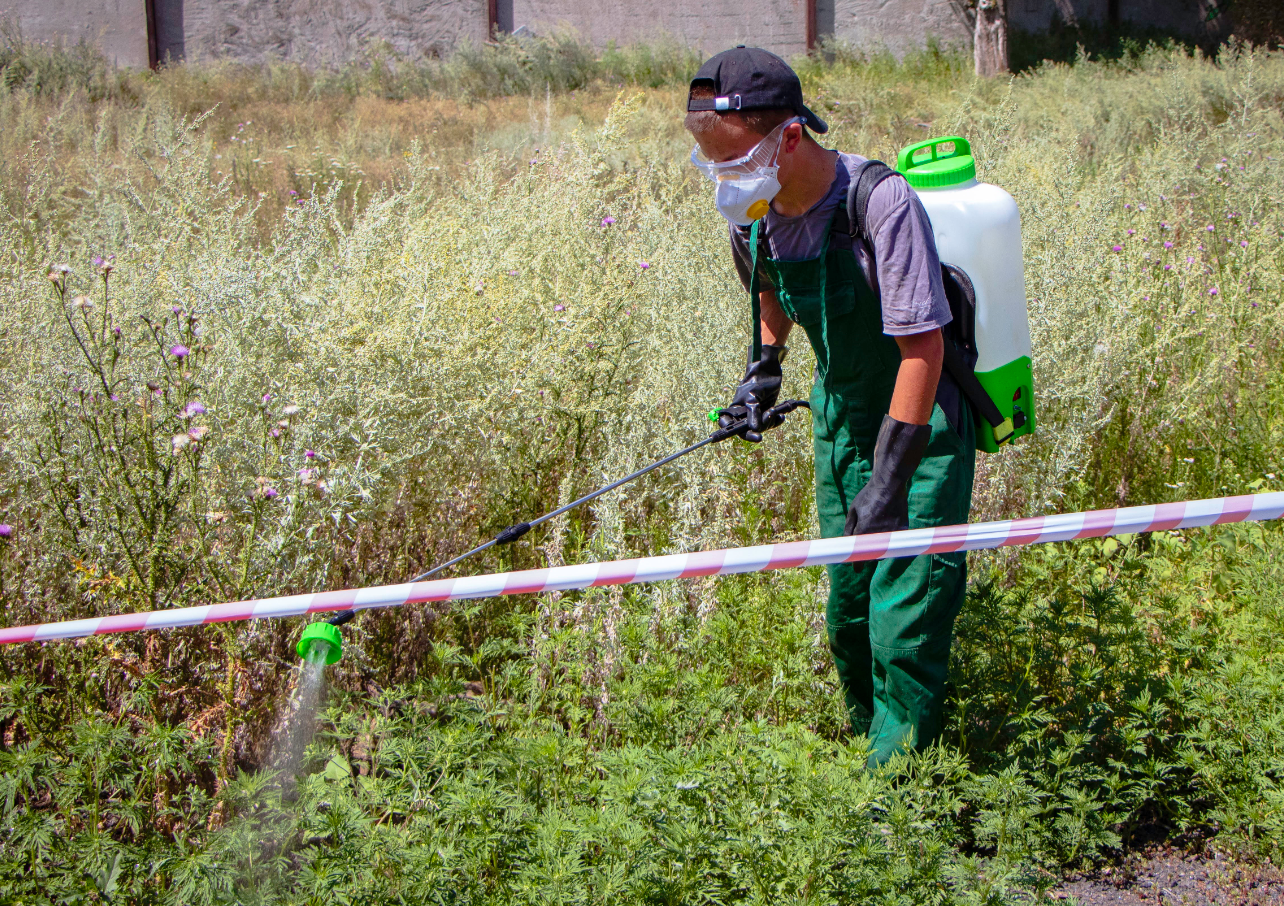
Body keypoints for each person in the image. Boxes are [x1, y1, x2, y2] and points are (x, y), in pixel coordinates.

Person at [685, 46, 975, 766]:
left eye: (734, 161)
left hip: (919, 427)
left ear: (789, 136)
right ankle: (865, 753)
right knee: (848, 610)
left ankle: (891, 801)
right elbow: (772, 292)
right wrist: (764, 368)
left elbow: (923, 352)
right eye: (712, 162)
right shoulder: (751, 214)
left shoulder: (878, 202)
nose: (724, 179)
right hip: (840, 418)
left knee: (902, 615)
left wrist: (889, 479)